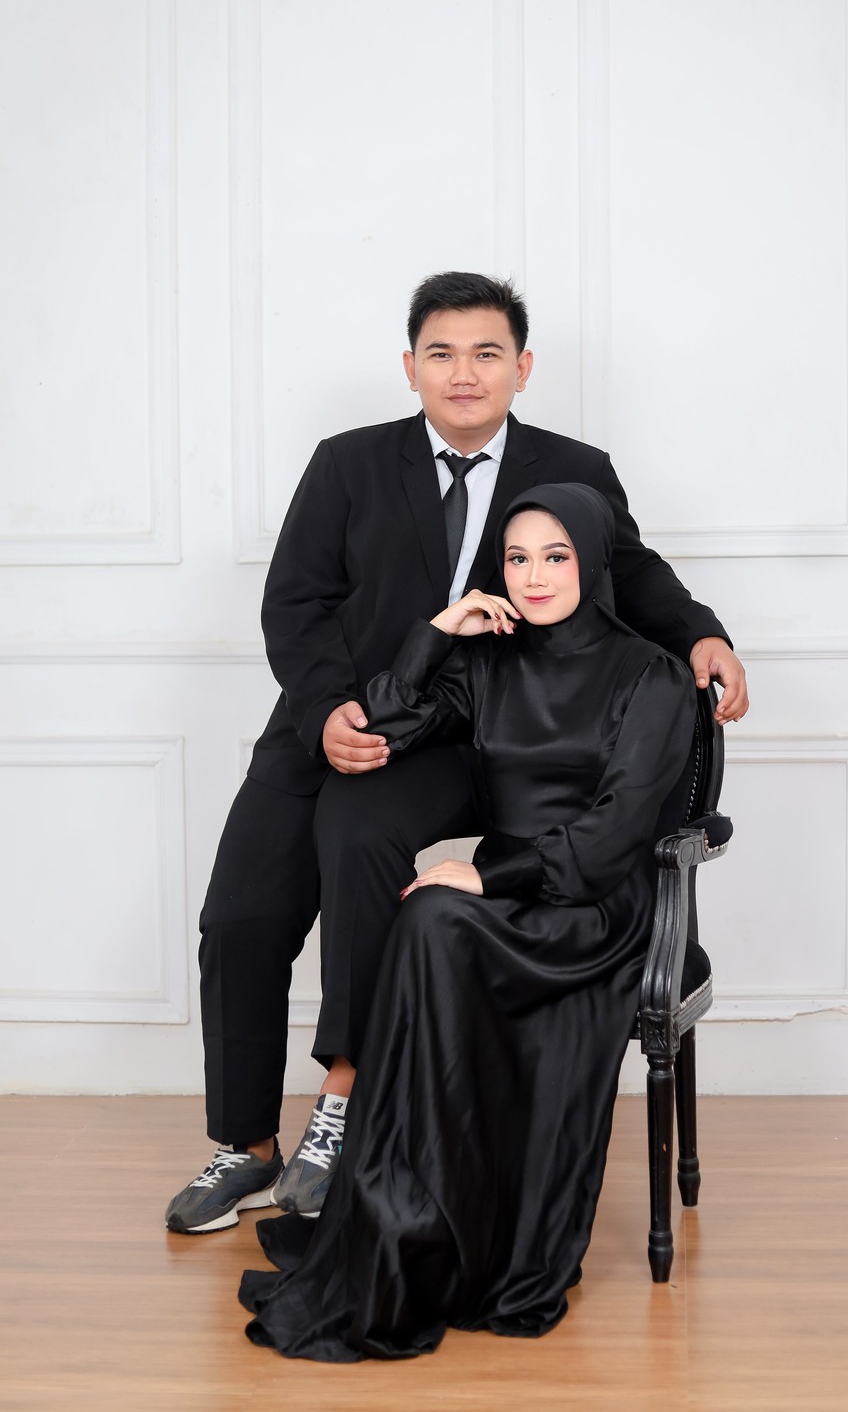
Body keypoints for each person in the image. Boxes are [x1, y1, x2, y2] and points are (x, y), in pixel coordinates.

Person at [165, 272, 748, 1235]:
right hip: (348, 719)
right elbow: (295, 603)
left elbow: (630, 570)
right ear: (411, 368)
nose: (464, 372)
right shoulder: (347, 464)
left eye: (487, 353)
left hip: (484, 736)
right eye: (441, 353)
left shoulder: (575, 465)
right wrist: (328, 712)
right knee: (239, 915)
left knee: (363, 841)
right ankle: (246, 1145)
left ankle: (346, 1103)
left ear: (523, 366)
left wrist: (702, 634)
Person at [239, 482, 697, 1360]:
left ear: (592, 561)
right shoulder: (488, 662)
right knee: (429, 918)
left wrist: (489, 873)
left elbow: (616, 832)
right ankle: (413, 1211)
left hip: (593, 904)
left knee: (438, 916)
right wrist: (438, 633)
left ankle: (459, 1221)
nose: (535, 576)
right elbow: (383, 725)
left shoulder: (652, 674)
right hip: (506, 894)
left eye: (556, 556)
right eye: (517, 558)